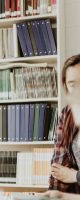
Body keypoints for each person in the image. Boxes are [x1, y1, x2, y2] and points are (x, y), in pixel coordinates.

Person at [49, 54, 80, 193]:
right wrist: (52, 195)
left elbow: (69, 174)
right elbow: (59, 166)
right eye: (73, 84)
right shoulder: (67, 114)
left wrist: (75, 176)